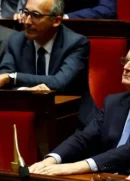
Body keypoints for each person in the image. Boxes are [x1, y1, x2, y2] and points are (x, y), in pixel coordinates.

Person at [28, 39, 130, 176]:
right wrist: (52, 160)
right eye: (126, 61)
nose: (126, 67)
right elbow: (84, 138)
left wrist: (77, 167)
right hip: (105, 180)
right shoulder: (114, 103)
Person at [0, 0, 96, 128]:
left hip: (72, 120)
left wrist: (13, 77)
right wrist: (26, 91)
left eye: (36, 15)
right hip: (29, 117)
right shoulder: (15, 41)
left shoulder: (76, 44)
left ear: (56, 21)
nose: (27, 21)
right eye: (26, 13)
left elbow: (59, 82)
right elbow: (2, 78)